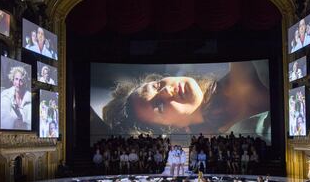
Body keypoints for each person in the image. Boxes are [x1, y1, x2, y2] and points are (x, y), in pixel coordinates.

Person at [103, 61, 270, 143]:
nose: (166, 91)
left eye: (157, 85)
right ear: (175, 128)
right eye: (159, 106)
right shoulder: (240, 140)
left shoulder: (247, 63)